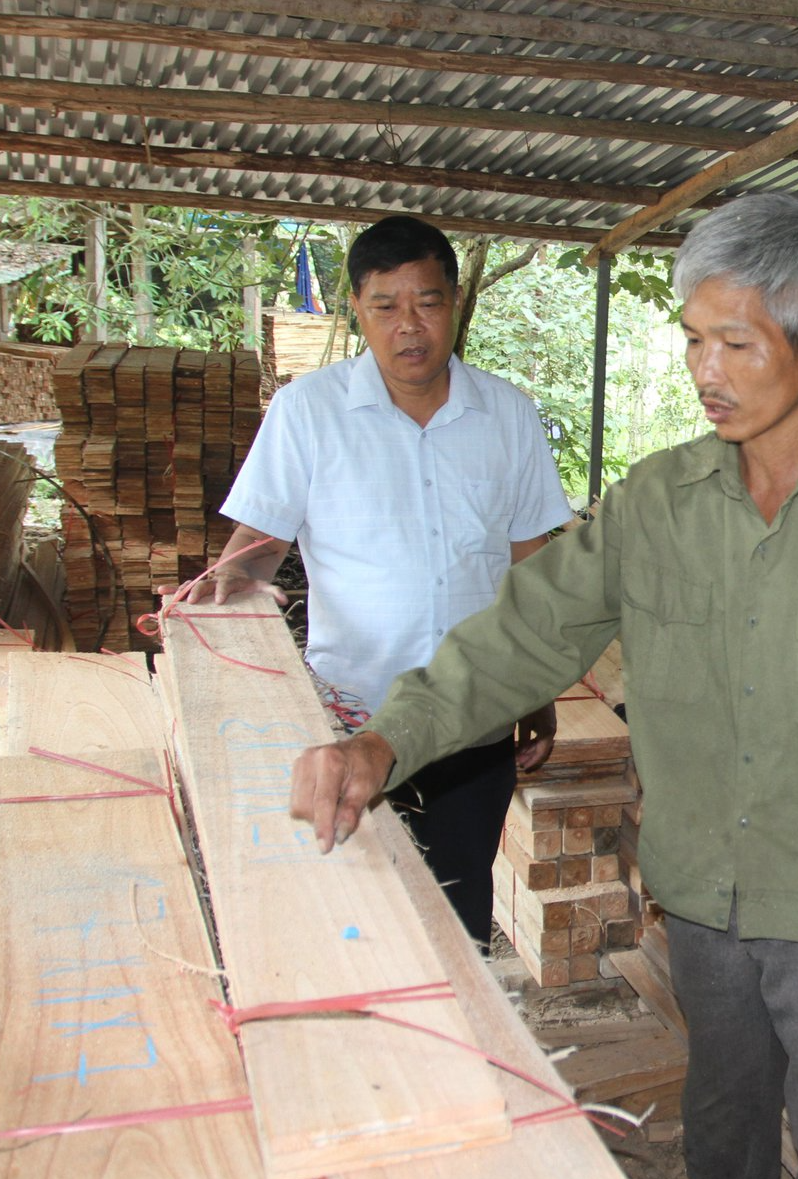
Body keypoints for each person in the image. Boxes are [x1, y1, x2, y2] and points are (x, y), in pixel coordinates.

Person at [286, 194, 798, 1179]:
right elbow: (521, 633)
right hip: (703, 907)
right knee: (723, 1138)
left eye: (735, 342)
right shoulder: (655, 502)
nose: (704, 369)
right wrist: (384, 740)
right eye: (693, 339)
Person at [194, 214, 572, 949]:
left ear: (454, 303)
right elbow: (259, 545)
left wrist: (540, 691)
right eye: (386, 306)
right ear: (358, 309)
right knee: (353, 927)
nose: (409, 327)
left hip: (475, 725)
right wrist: (215, 591)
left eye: (427, 302)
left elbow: (535, 564)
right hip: (350, 722)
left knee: (458, 919)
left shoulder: (509, 416)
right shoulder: (309, 412)